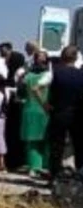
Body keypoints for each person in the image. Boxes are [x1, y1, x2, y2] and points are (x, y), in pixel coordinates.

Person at [46, 45, 83, 180]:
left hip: (59, 112)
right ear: (76, 57)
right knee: (79, 146)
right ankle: (80, 174)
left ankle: (55, 175)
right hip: (78, 114)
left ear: (62, 57)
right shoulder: (81, 74)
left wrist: (46, 104)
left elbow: (41, 88)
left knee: (57, 146)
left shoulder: (55, 72)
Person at [22, 49, 53, 177]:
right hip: (45, 110)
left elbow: (20, 95)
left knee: (32, 142)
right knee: (47, 140)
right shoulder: (50, 76)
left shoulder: (26, 77)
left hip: (29, 109)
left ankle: (34, 167)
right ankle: (46, 166)